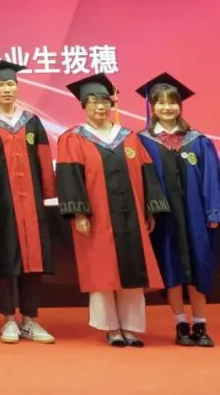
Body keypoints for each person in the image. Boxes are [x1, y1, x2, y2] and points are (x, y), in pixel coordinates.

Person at [56, 73, 169, 347]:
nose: (100, 106)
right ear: (83, 105)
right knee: (103, 270)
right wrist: (79, 213)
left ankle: (130, 327)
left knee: (133, 268)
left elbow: (147, 174)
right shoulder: (73, 138)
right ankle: (111, 328)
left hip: (131, 215)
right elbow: (70, 179)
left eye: (105, 101)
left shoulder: (128, 137)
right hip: (97, 216)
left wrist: (150, 209)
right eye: (93, 101)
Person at [0, 60, 57, 344]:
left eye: (10, 84)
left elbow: (43, 158)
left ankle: (30, 320)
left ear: (17, 87)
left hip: (31, 202)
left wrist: (47, 192)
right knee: (4, 259)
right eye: (0, 85)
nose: (6, 89)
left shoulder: (31, 121)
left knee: (33, 260)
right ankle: (8, 319)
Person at [135, 73, 219, 347]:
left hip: (196, 215)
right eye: (160, 102)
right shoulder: (143, 141)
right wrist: (149, 211)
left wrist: (213, 212)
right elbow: (141, 181)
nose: (167, 107)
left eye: (172, 102)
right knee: (171, 268)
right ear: (152, 107)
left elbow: (211, 178)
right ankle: (180, 324)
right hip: (165, 217)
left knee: (198, 266)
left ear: (180, 106)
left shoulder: (198, 140)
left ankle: (200, 324)